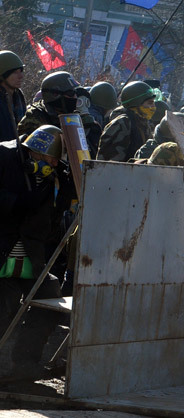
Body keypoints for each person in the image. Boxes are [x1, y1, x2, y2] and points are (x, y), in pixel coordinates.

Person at [0, 125, 73, 379]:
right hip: (3, 251)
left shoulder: (57, 178)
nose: (43, 163)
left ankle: (24, 362)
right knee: (4, 306)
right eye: (38, 157)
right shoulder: (6, 158)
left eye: (50, 160)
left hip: (31, 257)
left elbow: (55, 217)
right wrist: (16, 200)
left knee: (50, 298)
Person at [97, 81, 156, 162]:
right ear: (136, 102)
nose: (153, 107)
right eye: (150, 103)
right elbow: (109, 163)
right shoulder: (122, 123)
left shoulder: (144, 124)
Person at [17, 71, 80, 136]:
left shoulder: (74, 115)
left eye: (75, 92)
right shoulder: (35, 118)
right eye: (70, 93)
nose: (75, 97)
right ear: (55, 95)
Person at [0, 50, 26, 142]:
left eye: (21, 71)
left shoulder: (19, 97)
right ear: (2, 75)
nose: (21, 76)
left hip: (19, 153)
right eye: (15, 72)